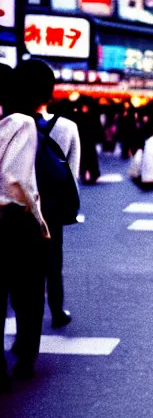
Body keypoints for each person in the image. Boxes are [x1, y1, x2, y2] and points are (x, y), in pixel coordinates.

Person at [15, 58, 80, 329]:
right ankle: (56, 309)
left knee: (19, 270)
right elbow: (72, 174)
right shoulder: (67, 127)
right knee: (53, 259)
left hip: (16, 206)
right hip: (51, 207)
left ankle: (23, 329)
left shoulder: (9, 124)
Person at [0, 64, 49, 389]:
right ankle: (26, 356)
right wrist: (40, 219)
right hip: (15, 221)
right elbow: (16, 182)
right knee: (29, 294)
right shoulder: (23, 123)